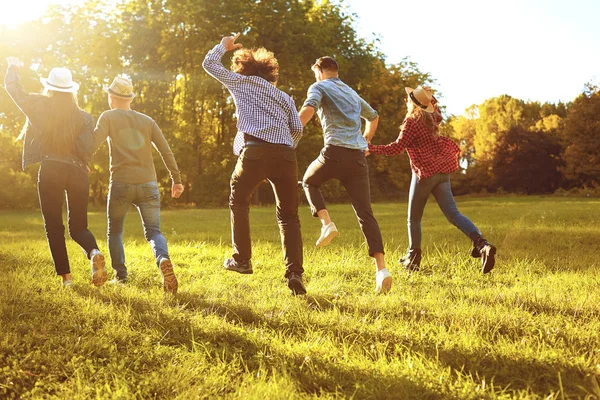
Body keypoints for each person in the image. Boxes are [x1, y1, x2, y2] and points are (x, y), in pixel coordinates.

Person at [202, 33, 306, 295]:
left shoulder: (241, 82)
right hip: (285, 154)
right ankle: (294, 273)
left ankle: (242, 260)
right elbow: (297, 129)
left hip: (255, 150)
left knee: (239, 199)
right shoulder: (284, 97)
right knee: (289, 216)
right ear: (269, 73)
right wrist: (283, 148)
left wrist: (223, 46)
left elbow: (209, 64)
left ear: (244, 68)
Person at [368, 85, 496, 273]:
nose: (407, 100)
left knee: (414, 218)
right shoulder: (434, 116)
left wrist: (371, 148)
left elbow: (396, 148)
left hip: (425, 173)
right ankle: (482, 244)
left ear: (411, 102)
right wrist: (429, 96)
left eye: (409, 98)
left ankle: (413, 258)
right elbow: (435, 104)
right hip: (442, 171)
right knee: (454, 214)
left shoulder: (411, 122)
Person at [4, 57, 107, 288]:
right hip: (78, 171)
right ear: (71, 90)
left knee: (54, 226)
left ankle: (67, 280)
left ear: (49, 87)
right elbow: (85, 148)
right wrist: (83, 162)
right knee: (79, 227)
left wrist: (13, 68)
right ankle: (93, 253)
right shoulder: (84, 117)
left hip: (51, 168)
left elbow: (14, 90)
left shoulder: (39, 106)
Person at [299, 56, 391, 294]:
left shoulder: (319, 86)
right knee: (365, 213)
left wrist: (290, 130)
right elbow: (373, 116)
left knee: (309, 180)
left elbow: (309, 109)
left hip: (334, 153)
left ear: (319, 71)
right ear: (336, 71)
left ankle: (326, 224)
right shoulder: (351, 93)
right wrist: (366, 140)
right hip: (357, 157)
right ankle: (381, 270)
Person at [89, 76, 184, 293]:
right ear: (130, 98)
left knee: (115, 231)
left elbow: (93, 144)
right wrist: (176, 180)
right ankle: (162, 260)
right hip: (148, 184)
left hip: (121, 183)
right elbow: (165, 150)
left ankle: (120, 276)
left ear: (111, 97)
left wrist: (80, 162)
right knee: (153, 232)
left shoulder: (108, 117)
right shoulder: (147, 120)